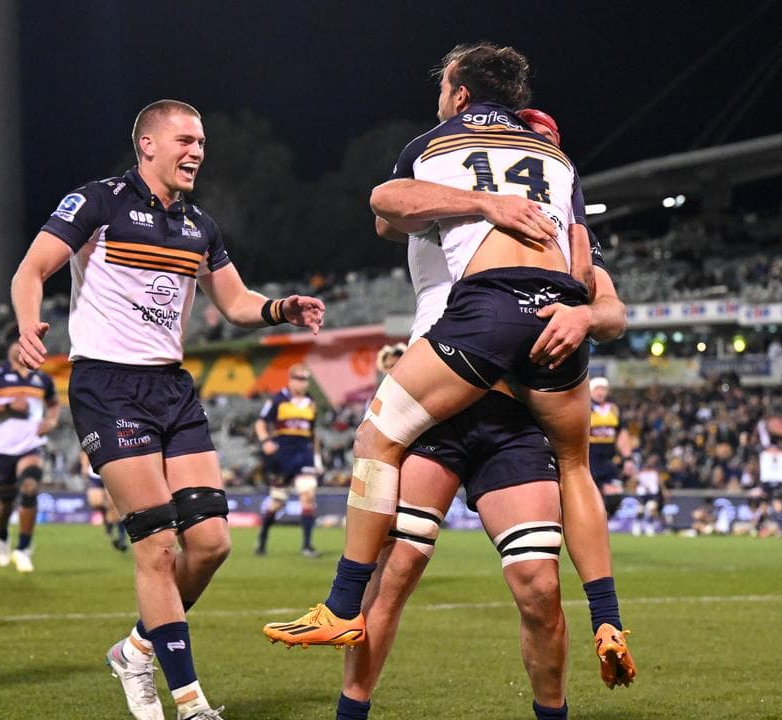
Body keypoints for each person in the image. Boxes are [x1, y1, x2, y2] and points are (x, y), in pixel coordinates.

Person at [266, 45, 637, 690]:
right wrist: (486, 207)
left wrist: (582, 311)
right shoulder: (489, 197)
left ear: (460, 99)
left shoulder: (455, 164)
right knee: (402, 573)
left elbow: (602, 297)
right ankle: (351, 683)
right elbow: (393, 214)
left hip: (485, 361)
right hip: (476, 373)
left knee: (533, 587)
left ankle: (338, 604)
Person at [11, 99, 324, 720]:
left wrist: (279, 309)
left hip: (171, 390)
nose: (198, 152)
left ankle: (133, 648)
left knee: (209, 544)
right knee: (155, 545)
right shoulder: (97, 201)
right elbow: (31, 269)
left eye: (202, 143)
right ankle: (189, 701)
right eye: (186, 140)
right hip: (107, 387)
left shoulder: (199, 225)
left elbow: (233, 301)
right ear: (147, 145)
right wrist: (27, 327)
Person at [0, 335, 61, 572]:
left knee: (30, 487)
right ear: (10, 348)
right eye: (18, 343)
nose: (22, 347)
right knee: (5, 501)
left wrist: (51, 422)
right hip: (2, 447)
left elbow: (54, 404)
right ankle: (2, 537)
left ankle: (23, 548)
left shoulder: (42, 378)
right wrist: (8, 406)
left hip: (31, 444)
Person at [254, 363, 322, 558]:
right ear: (291, 379)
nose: (303, 383)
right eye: (299, 378)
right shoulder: (278, 399)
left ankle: (307, 546)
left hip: (304, 456)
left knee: (308, 497)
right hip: (283, 457)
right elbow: (260, 422)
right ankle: (263, 537)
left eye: (305, 379)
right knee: (277, 502)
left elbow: (313, 432)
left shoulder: (311, 403)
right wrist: (265, 441)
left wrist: (317, 458)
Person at [589, 376, 632, 514]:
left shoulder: (614, 409)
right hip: (589, 457)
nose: (600, 392)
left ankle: (605, 524)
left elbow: (622, 435)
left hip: (609, 458)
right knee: (591, 496)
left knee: (614, 498)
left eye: (603, 389)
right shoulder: (583, 407)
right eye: (597, 389)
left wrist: (628, 459)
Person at [82, 449, 128, 551]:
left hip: (111, 470)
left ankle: (121, 538)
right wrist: (84, 466)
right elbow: (84, 450)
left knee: (114, 505)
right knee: (95, 502)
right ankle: (108, 522)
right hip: (94, 474)